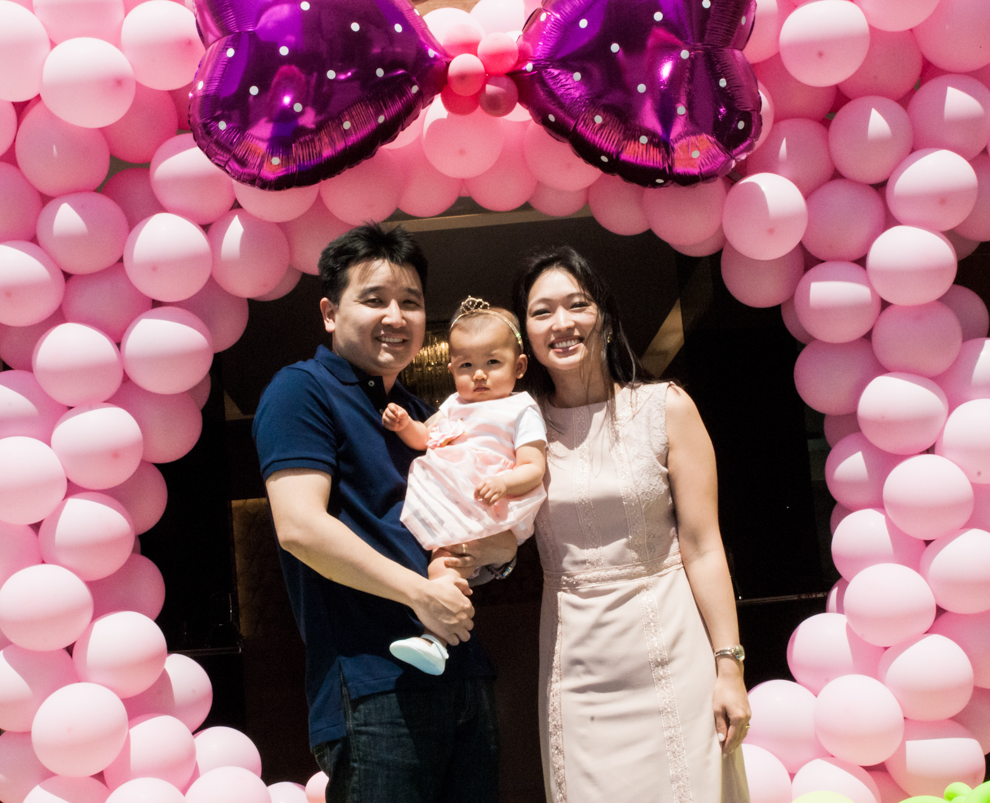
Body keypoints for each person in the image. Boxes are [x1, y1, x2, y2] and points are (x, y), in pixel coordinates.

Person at [252, 223, 517, 803]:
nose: (395, 316)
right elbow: (300, 527)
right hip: (373, 685)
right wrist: (421, 595)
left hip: (463, 671)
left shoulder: (424, 414)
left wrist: (497, 557)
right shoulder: (302, 391)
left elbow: (470, 524)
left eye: (411, 302)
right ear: (329, 311)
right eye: (374, 299)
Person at [513, 246, 752, 803]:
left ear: (606, 316)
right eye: (542, 311)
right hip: (576, 665)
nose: (562, 323)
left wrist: (729, 667)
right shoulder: (520, 430)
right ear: (525, 333)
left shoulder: (664, 408)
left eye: (577, 304)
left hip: (672, 647)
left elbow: (703, 547)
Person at [383, 296, 548, 675]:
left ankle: (437, 637)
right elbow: (426, 437)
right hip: (457, 499)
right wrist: (404, 424)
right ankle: (435, 639)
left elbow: (534, 468)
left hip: (493, 503)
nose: (479, 375)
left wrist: (503, 483)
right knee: (443, 565)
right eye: (467, 365)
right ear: (451, 368)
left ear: (519, 366)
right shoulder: (454, 404)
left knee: (453, 560)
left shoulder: (520, 409)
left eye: (493, 363)